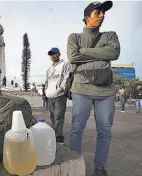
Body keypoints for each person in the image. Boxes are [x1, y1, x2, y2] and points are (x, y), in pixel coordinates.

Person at [67, 1, 120, 176]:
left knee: (105, 130)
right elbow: (73, 57)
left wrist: (84, 52)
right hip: (81, 89)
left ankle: (99, 168)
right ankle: (75, 166)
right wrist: (99, 53)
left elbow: (113, 53)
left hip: (106, 91)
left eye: (103, 13)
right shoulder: (74, 37)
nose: (102, 15)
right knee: (77, 128)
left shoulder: (110, 35)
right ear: (87, 17)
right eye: (98, 12)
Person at [45, 47, 71, 144]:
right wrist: (45, 91)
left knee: (58, 116)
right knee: (52, 116)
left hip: (59, 95)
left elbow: (68, 76)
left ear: (59, 54)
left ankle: (59, 137)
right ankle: (54, 135)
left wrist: (61, 88)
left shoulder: (64, 64)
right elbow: (47, 81)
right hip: (50, 96)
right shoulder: (49, 69)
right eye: (51, 54)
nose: (52, 56)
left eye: (54, 53)